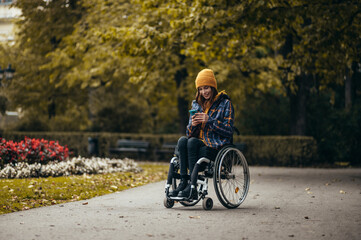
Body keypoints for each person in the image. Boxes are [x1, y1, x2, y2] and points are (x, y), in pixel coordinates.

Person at [169, 68, 235, 200]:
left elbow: (229, 130)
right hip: (195, 145)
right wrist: (192, 125)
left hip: (214, 146)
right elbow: (189, 134)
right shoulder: (196, 104)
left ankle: (192, 187)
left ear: (213, 87)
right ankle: (184, 183)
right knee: (183, 140)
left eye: (206, 88)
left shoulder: (225, 103)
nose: (203, 92)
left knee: (192, 142)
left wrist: (209, 120)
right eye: (200, 89)